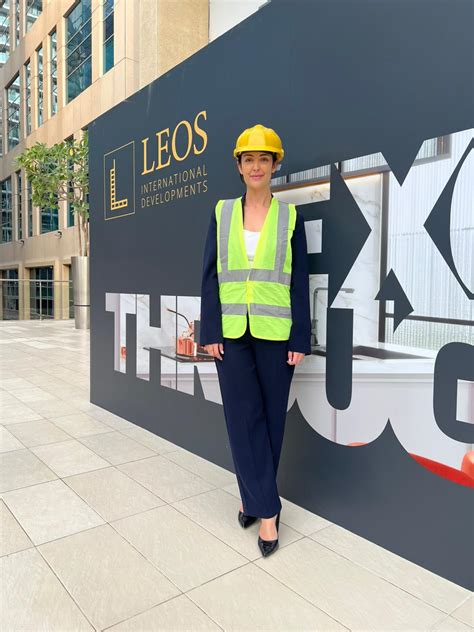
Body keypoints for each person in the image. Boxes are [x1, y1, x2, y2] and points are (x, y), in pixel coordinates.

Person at [199, 124, 311, 557]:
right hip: (231, 334)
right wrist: (210, 330)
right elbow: (210, 275)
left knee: (270, 421)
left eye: (264, 158)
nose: (256, 166)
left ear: (275, 164)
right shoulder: (222, 212)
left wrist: (299, 336)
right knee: (241, 420)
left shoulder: (290, 217)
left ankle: (253, 499)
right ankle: (268, 511)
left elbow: (299, 281)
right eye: (249, 159)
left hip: (276, 333)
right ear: (239, 166)